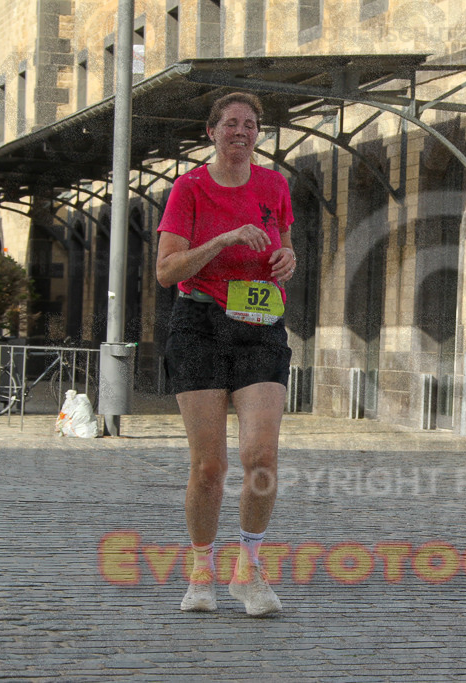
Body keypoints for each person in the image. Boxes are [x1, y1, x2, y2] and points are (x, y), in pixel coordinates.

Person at [155, 92, 297, 616]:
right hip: (199, 325)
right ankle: (201, 569)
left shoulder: (274, 185)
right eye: (231, 123)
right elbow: (166, 271)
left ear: (258, 133)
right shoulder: (189, 188)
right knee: (209, 466)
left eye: (250, 124)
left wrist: (287, 258)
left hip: (260, 324)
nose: (241, 131)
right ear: (211, 131)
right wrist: (223, 240)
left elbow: (283, 243)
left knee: (261, 457)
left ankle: (249, 568)